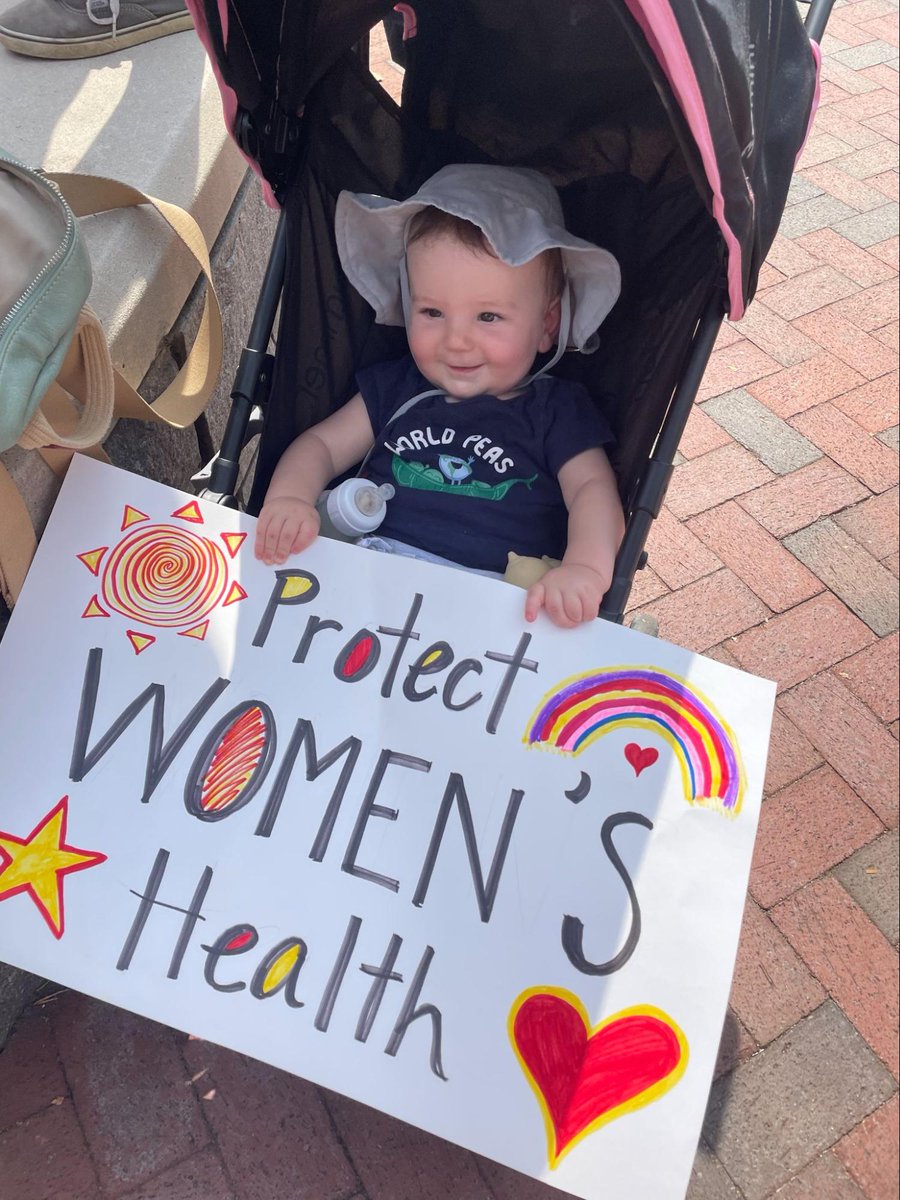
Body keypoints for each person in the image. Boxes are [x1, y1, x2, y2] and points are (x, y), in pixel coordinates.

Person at [255, 164, 625, 629]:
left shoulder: (555, 412)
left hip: (492, 603)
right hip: (368, 576)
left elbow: (594, 491)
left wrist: (585, 570)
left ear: (547, 325)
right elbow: (322, 446)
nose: (456, 341)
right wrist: (289, 499)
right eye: (432, 311)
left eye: (487, 317)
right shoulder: (397, 387)